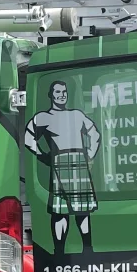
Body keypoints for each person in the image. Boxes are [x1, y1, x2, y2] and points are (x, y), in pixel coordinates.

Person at [22, 79, 101, 255]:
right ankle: (59, 251)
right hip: (59, 161)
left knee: (83, 211)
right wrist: (42, 156)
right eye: (58, 92)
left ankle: (88, 249)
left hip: (79, 161)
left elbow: (94, 133)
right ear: (51, 95)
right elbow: (29, 137)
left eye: (64, 92)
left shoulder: (76, 115)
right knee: (60, 212)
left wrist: (89, 154)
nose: (62, 95)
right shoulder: (43, 117)